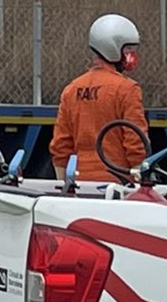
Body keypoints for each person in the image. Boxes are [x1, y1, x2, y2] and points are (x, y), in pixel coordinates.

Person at [50, 14, 148, 184]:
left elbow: (61, 145)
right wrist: (140, 177)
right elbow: (135, 141)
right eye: (128, 50)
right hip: (117, 182)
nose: (131, 55)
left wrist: (63, 184)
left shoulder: (71, 90)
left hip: (79, 184)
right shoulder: (127, 89)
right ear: (113, 48)